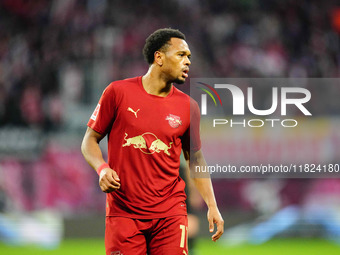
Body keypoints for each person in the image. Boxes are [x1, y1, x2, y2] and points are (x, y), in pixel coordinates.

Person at [81, 28, 224, 255]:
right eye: (181, 55)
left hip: (170, 212)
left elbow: (195, 158)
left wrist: (212, 206)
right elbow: (89, 141)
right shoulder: (117, 92)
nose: (187, 62)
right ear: (159, 57)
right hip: (124, 211)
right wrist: (102, 169)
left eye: (189, 57)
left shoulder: (188, 107)